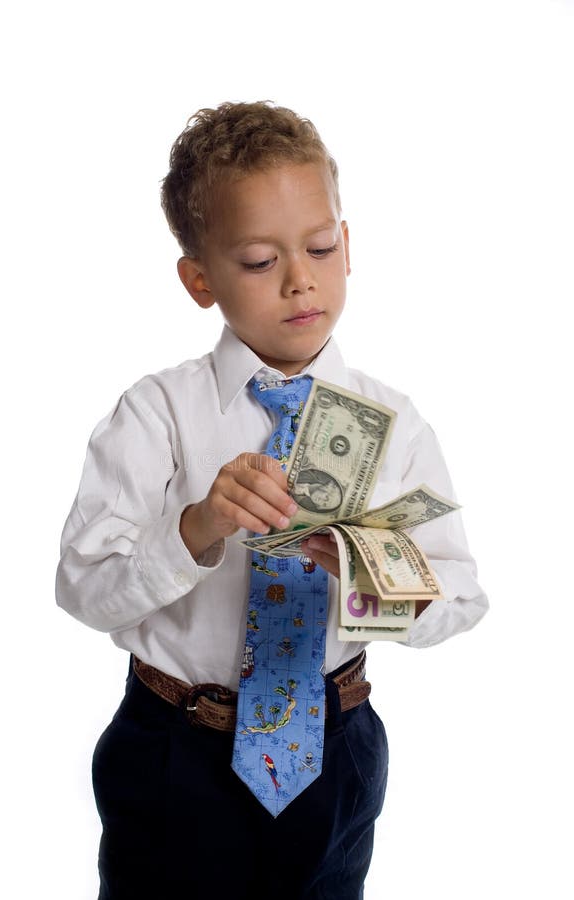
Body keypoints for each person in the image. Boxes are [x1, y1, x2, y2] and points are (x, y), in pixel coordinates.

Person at [56, 101, 488, 899]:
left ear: (348, 247)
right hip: (174, 749)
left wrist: (372, 575)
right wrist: (198, 527)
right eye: (258, 260)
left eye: (321, 247)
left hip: (336, 746)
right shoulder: (156, 414)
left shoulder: (394, 422)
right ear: (199, 279)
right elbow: (83, 588)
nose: (300, 278)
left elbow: (461, 597)